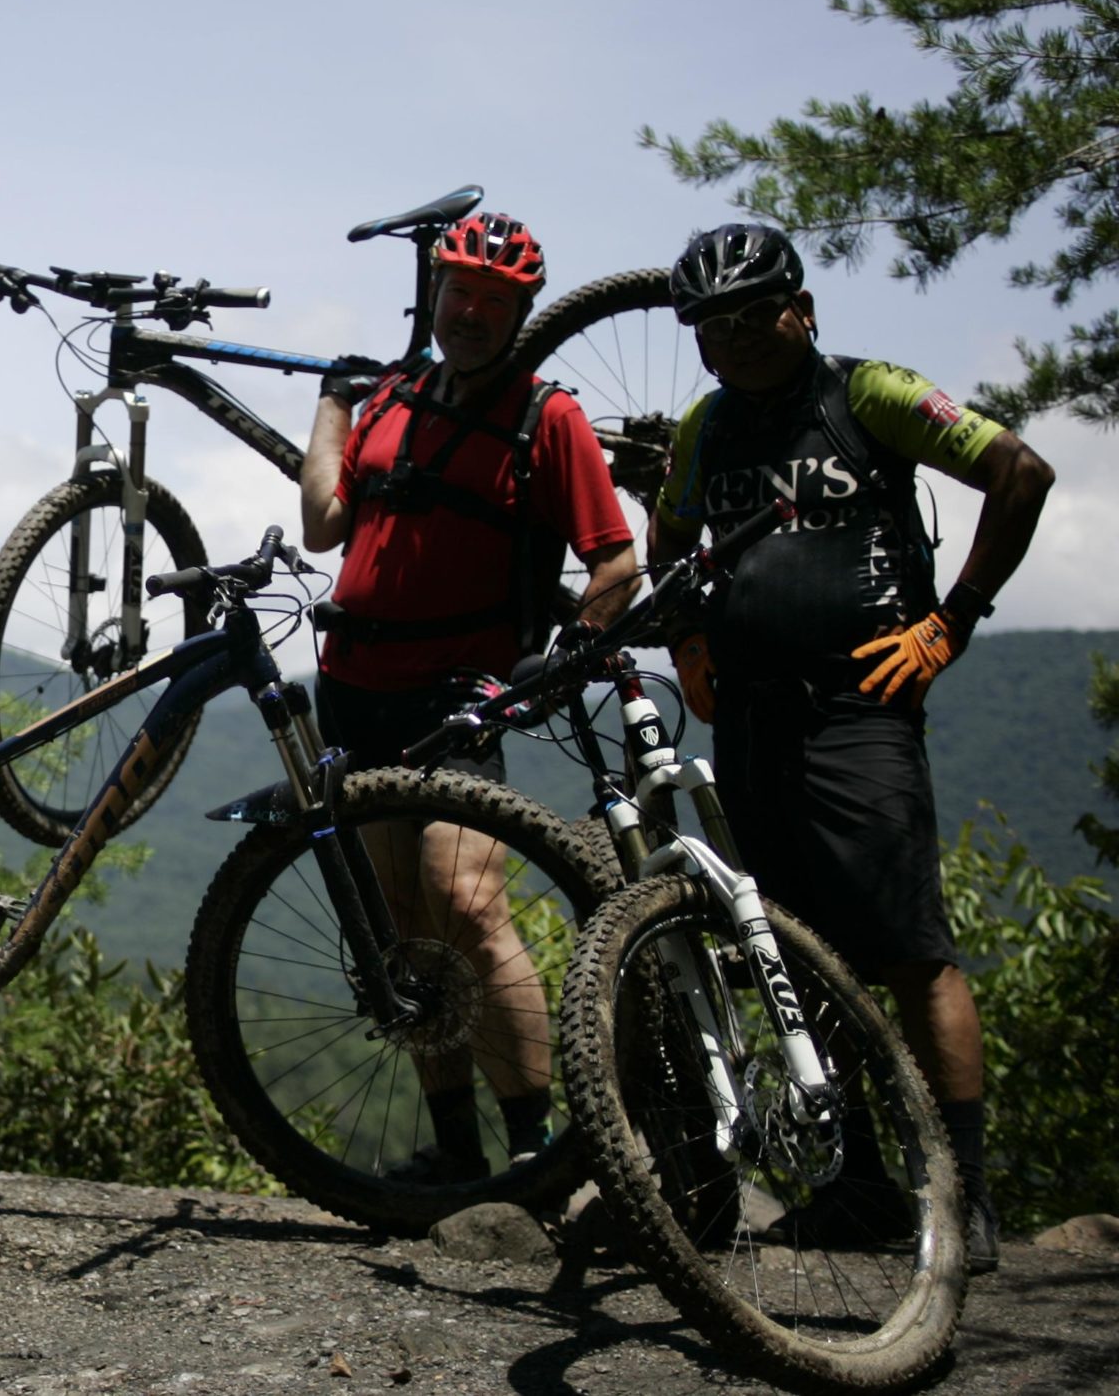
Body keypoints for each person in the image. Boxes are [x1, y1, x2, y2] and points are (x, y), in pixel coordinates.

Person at [651, 223, 1055, 1271]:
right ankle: (859, 1185)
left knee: (909, 949)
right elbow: (664, 540)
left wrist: (952, 621)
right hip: (746, 718)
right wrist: (689, 642)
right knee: (793, 951)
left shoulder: (864, 394)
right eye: (713, 325)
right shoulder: (704, 428)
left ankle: (959, 1195)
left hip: (857, 707)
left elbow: (1019, 471)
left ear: (803, 308)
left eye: (755, 314)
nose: (736, 338)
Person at [298, 211, 639, 1182]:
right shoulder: (394, 398)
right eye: (460, 296)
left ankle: (532, 1145)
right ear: (435, 298)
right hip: (352, 691)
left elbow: (615, 560)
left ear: (525, 313)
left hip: (458, 700)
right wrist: (332, 405)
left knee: (467, 906)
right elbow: (324, 523)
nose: (474, 315)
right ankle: (454, 1150)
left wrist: (565, 656)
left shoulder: (547, 417)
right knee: (405, 929)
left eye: (496, 303)